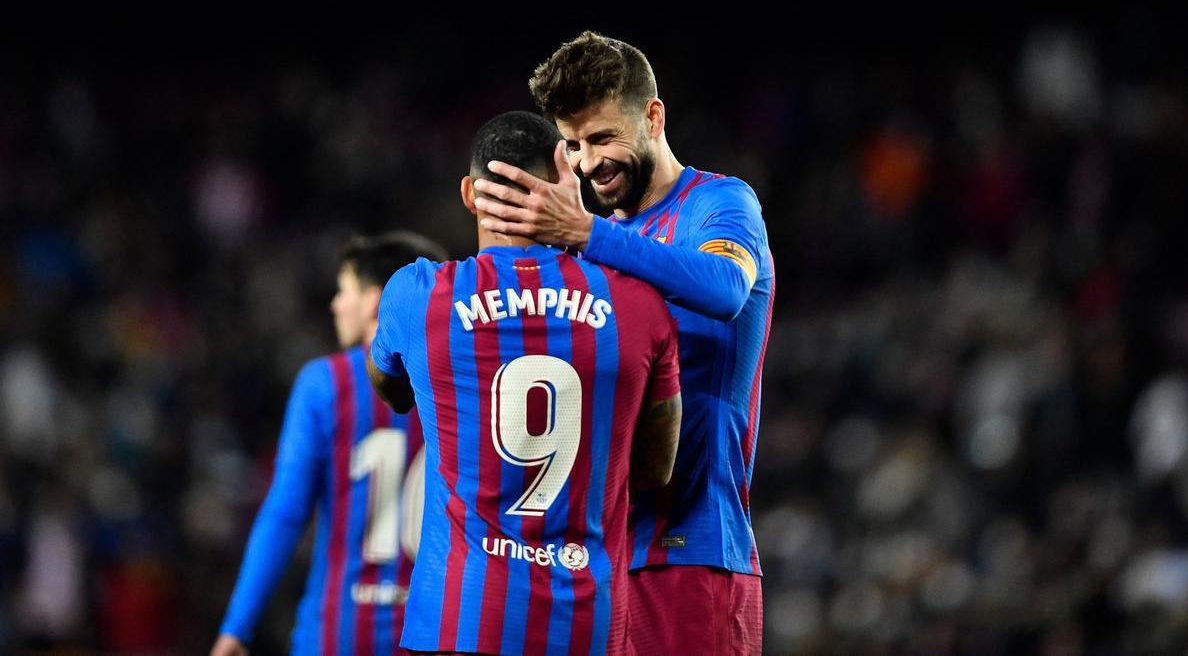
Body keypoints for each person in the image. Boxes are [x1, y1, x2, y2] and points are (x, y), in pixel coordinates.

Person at [471, 32, 774, 655]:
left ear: (653, 117)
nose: (587, 163)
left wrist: (584, 235)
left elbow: (724, 289)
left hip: (692, 553)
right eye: (575, 145)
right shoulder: (599, 241)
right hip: (601, 560)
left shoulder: (719, 204)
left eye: (604, 138)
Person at [368, 110, 682, 655]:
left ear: (470, 193)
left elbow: (389, 387)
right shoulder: (638, 304)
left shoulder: (416, 297)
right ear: (566, 179)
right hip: (587, 623)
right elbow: (657, 469)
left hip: (461, 620)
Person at [212, 232, 447, 656]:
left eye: (345, 291)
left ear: (376, 301)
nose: (335, 304)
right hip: (436, 635)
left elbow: (285, 512)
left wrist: (237, 627)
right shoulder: (463, 384)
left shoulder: (326, 384)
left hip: (340, 633)